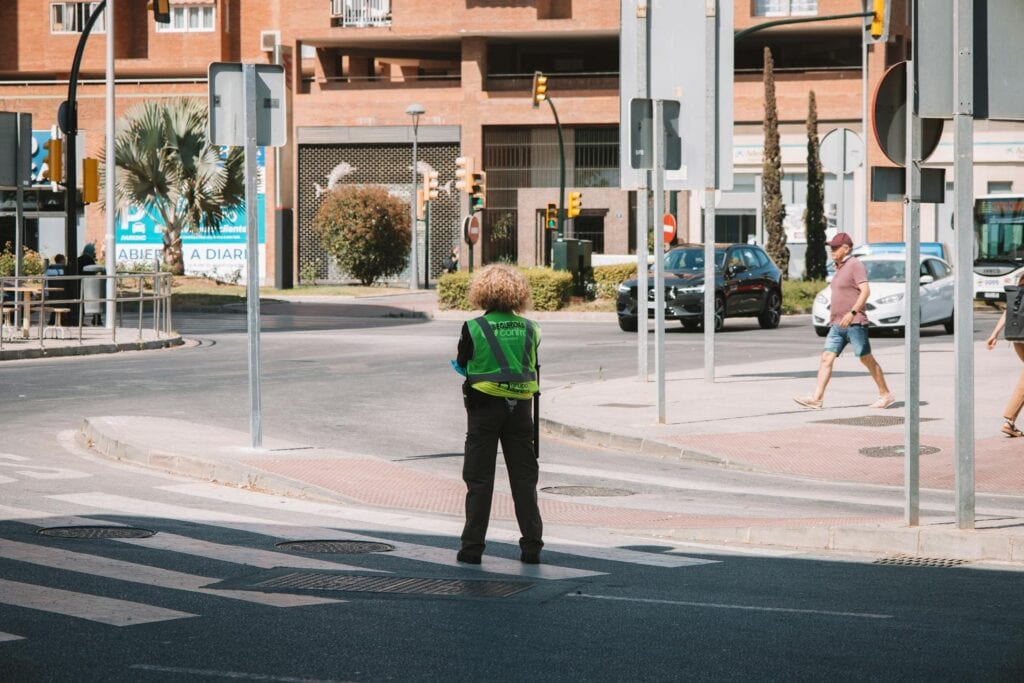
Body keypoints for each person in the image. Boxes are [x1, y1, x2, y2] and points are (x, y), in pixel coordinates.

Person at [452, 264, 543, 565]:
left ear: (483, 291)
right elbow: (531, 363)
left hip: (484, 408)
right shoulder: (531, 329)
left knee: (479, 480)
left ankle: (472, 549)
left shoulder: (474, 327)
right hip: (521, 411)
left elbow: (463, 364)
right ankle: (532, 547)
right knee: (524, 480)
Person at [794, 232, 895, 410]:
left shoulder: (855, 264)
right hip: (837, 325)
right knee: (826, 358)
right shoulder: (839, 267)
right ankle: (817, 399)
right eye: (830, 247)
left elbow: (865, 291)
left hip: (855, 323)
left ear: (846, 248)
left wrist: (852, 312)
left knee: (866, 359)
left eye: (835, 248)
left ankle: (885, 394)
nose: (831, 250)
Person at [985, 276, 1024, 437]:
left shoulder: (1019, 289)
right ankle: (1009, 420)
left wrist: (994, 334)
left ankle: (1010, 421)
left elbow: (1009, 311)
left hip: (1017, 337)